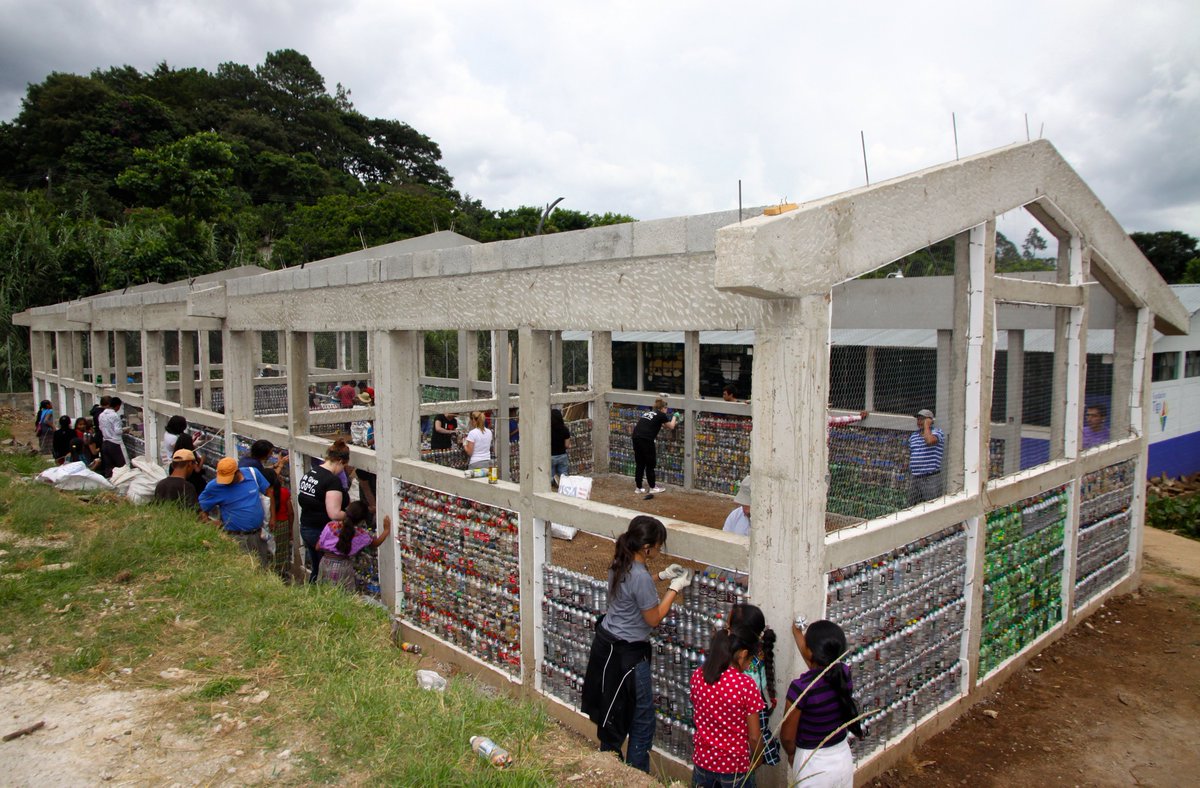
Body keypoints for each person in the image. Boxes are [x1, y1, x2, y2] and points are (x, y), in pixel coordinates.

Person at [581, 516, 693, 772]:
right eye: (659, 545)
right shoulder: (639, 575)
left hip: (607, 644)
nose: (660, 549)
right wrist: (673, 589)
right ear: (647, 547)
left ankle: (609, 764)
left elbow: (633, 588)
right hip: (628, 655)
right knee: (642, 720)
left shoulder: (621, 561)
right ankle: (635, 775)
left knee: (612, 710)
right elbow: (653, 617)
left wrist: (661, 576)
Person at [780, 620, 863, 788]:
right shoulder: (843, 673)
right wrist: (798, 634)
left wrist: (792, 756)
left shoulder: (801, 688)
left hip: (812, 764)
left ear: (811, 652)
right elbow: (818, 666)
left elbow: (788, 737)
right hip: (841, 757)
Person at [689, 612, 767, 787]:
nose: (749, 665)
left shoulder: (699, 675)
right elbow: (754, 737)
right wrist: (757, 759)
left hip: (703, 762)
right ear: (742, 654)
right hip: (734, 768)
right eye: (750, 659)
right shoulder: (745, 685)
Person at [728, 604, 781, 770]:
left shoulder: (743, 665)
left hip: (745, 724)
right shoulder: (759, 652)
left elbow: (753, 736)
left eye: (728, 626)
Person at [199, 457, 272, 568]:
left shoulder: (253, 474)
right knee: (242, 568)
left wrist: (272, 518)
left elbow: (268, 492)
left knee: (262, 568)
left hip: (258, 535)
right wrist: (210, 523)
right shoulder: (215, 487)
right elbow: (200, 509)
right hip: (236, 537)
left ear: (237, 472)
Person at [297, 438, 353, 583]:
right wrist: (351, 515)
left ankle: (313, 594)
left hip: (307, 526)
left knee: (317, 567)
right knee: (325, 573)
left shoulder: (311, 473)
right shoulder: (331, 481)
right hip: (321, 532)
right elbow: (334, 513)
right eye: (344, 467)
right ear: (341, 462)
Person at [315, 501, 392, 590]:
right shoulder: (361, 535)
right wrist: (386, 531)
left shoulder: (330, 526)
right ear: (362, 520)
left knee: (324, 592)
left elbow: (318, 546)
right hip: (343, 566)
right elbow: (376, 543)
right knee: (343, 594)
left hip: (325, 562)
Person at [631, 397, 678, 494]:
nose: (666, 411)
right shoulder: (661, 415)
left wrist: (671, 422)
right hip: (646, 439)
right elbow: (671, 426)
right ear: (663, 408)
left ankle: (638, 488)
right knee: (650, 464)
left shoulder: (649, 413)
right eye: (666, 409)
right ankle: (653, 487)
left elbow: (662, 425)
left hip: (636, 437)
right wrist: (675, 417)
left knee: (640, 463)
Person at [907, 408, 944, 505]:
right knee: (912, 506)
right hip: (915, 477)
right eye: (918, 419)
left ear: (929, 420)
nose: (919, 422)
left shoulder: (937, 432)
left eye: (922, 419)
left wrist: (927, 426)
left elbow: (929, 441)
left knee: (931, 505)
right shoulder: (914, 436)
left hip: (930, 478)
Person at [172, 433, 209, 499]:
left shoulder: (176, 455)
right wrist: (202, 460)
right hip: (195, 485)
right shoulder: (189, 456)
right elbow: (197, 470)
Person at [97, 397, 127, 477]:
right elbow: (118, 431)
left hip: (105, 442)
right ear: (117, 406)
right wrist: (125, 430)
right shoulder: (115, 416)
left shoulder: (101, 415)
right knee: (122, 467)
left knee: (109, 466)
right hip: (115, 443)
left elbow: (100, 427)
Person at [550, 408, 572, 485]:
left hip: (551, 456)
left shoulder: (547, 430)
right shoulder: (565, 429)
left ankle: (554, 480)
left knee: (550, 476)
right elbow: (567, 445)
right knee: (564, 476)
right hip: (562, 455)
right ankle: (563, 485)